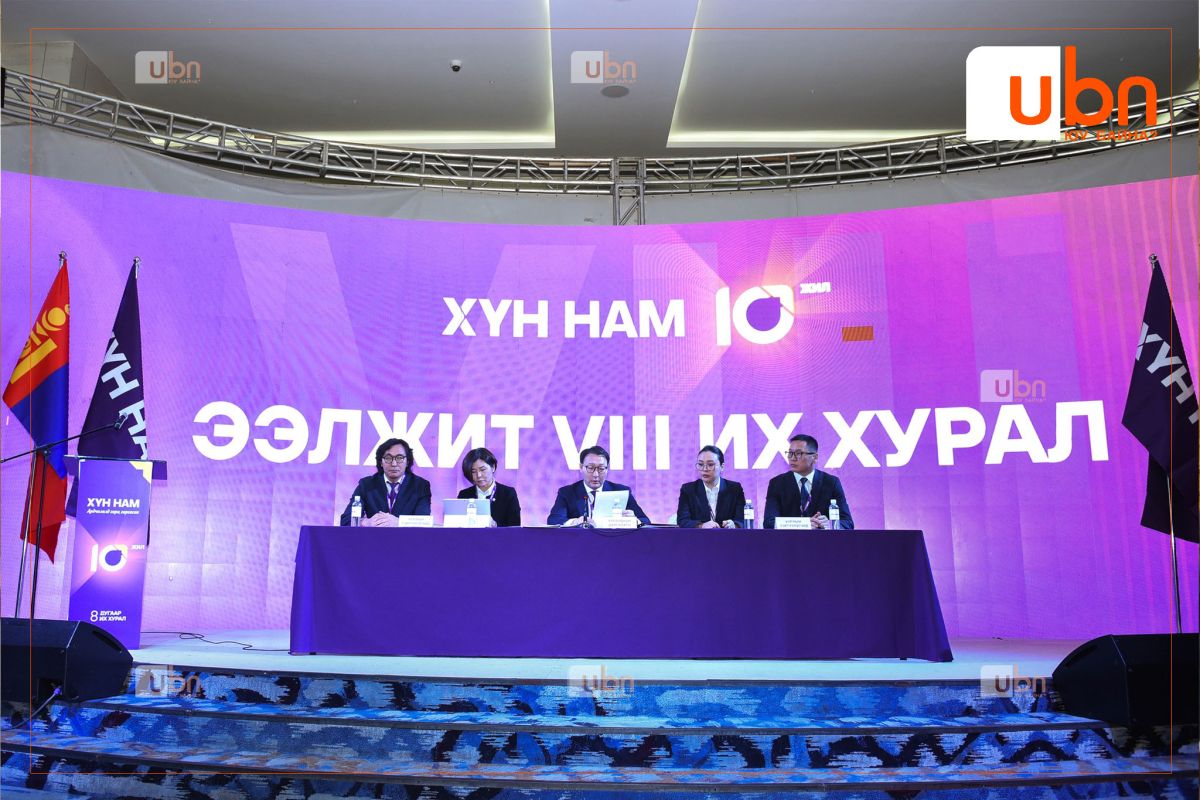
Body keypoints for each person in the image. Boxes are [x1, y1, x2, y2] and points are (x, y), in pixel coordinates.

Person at [763, 434, 854, 529]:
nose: (792, 458)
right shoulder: (777, 483)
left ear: (815, 457)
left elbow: (848, 523)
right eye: (790, 453)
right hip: (790, 538)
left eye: (798, 453)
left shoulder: (831, 482)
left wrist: (830, 524)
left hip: (821, 538)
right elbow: (769, 523)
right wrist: (803, 524)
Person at [546, 445, 651, 526]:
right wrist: (575, 522)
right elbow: (553, 520)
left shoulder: (621, 491)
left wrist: (634, 520)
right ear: (581, 467)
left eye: (601, 468)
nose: (596, 474)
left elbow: (645, 521)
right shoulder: (567, 493)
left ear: (607, 469)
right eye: (590, 468)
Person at [339, 438, 432, 526]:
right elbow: (346, 520)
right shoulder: (366, 485)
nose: (394, 464)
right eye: (388, 458)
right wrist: (366, 522)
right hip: (375, 536)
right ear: (380, 462)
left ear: (407, 462)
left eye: (399, 458)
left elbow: (424, 522)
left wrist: (399, 522)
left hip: (406, 537)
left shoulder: (421, 486)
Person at [675, 445, 747, 528]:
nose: (705, 469)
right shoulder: (688, 490)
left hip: (727, 535)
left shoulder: (734, 489)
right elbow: (682, 521)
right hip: (699, 536)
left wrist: (734, 525)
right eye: (700, 464)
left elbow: (742, 520)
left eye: (710, 464)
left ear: (722, 467)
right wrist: (701, 526)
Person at [456, 447, 522, 527]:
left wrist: (496, 526)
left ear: (493, 467)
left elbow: (515, 528)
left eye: (482, 470)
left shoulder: (508, 494)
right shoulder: (464, 495)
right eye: (473, 471)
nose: (479, 475)